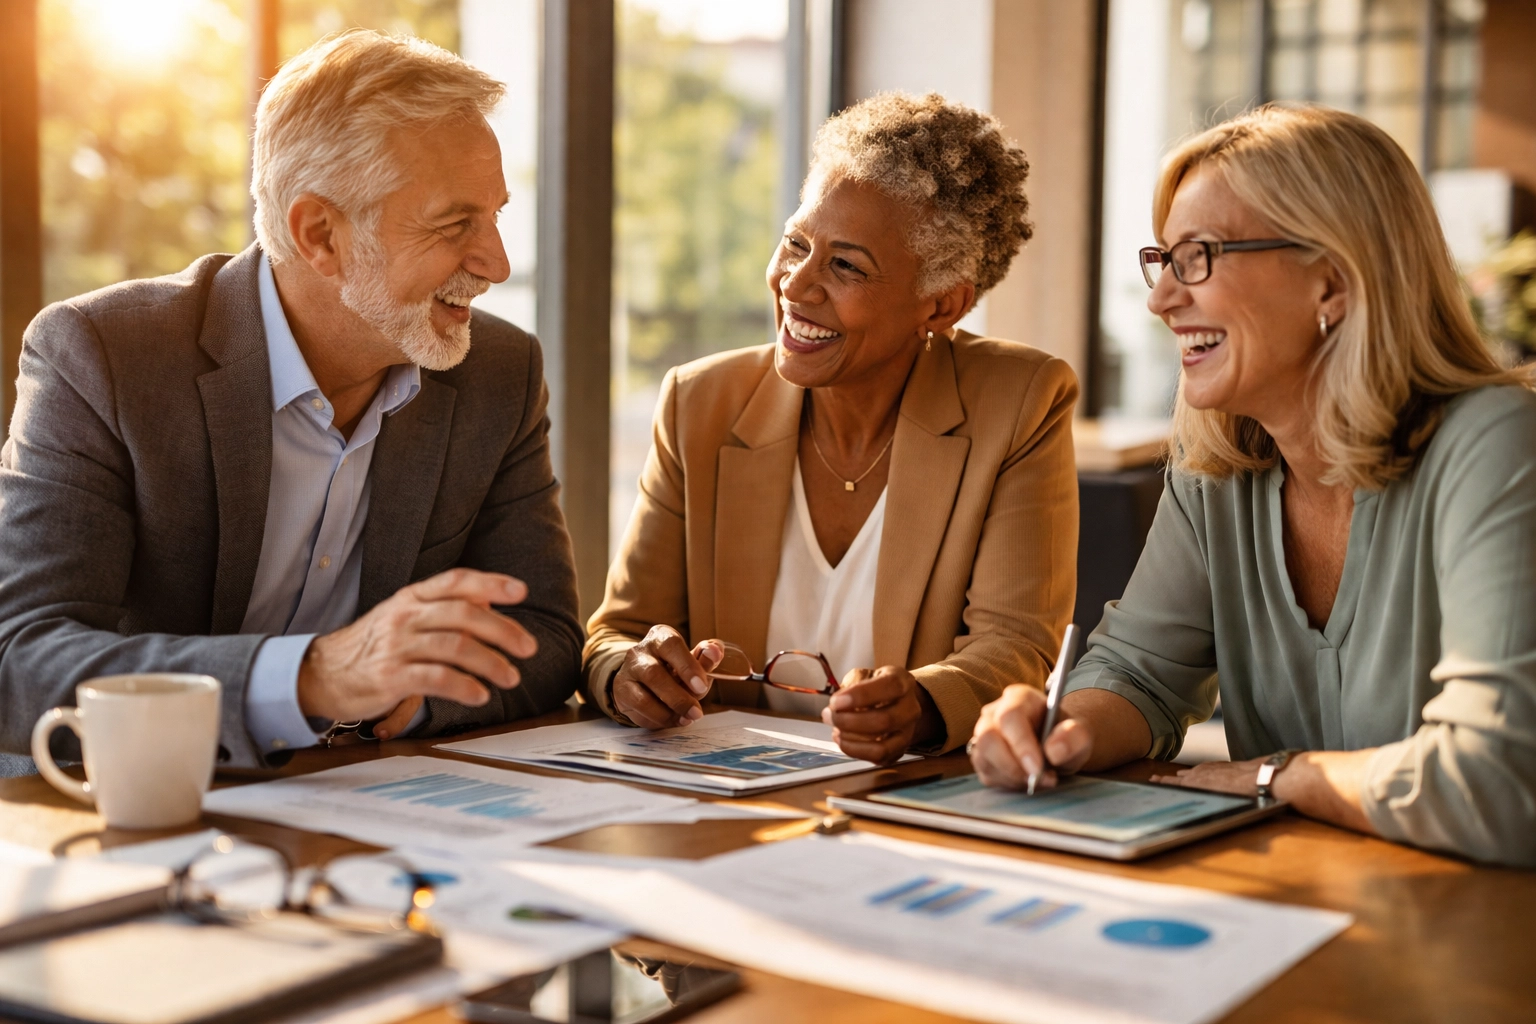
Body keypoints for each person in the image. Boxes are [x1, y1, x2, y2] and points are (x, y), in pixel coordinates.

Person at [969, 104, 1536, 867]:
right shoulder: (1218, 472)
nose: (1162, 298)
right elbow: (1139, 673)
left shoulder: (1496, 442)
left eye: (1199, 256)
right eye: (1162, 260)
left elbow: (1495, 781)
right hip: (1312, 908)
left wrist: (1282, 776)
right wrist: (1062, 726)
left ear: (1332, 282)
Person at [0, 31, 582, 770]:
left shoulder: (498, 371)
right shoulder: (102, 357)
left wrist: (412, 695)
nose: (495, 262)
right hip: (129, 807)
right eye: (454, 223)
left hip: (371, 805)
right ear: (321, 234)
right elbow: (19, 657)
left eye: (496, 215)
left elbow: (545, 635)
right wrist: (316, 677)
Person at [584, 92, 1079, 763]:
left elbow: (1014, 646)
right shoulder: (699, 403)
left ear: (941, 303)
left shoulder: (1020, 402)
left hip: (906, 795)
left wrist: (927, 705)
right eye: (796, 243)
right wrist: (630, 675)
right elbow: (620, 631)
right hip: (722, 794)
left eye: (845, 265)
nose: (796, 284)